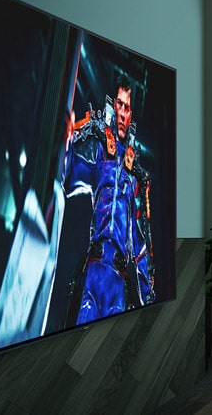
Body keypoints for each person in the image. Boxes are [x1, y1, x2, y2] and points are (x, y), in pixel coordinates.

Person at [64, 73, 156, 325]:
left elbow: (139, 238)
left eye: (127, 107)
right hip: (95, 265)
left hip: (118, 276)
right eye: (119, 104)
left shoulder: (134, 175)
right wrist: (69, 137)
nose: (123, 112)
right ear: (112, 106)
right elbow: (71, 175)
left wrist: (147, 293)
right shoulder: (99, 151)